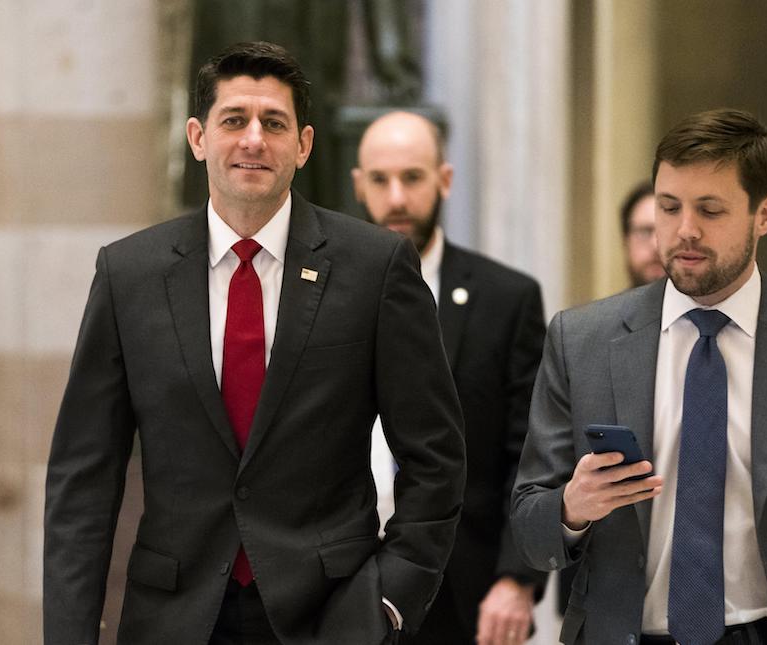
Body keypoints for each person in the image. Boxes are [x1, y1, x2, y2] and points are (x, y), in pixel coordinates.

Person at [43, 42, 465, 645]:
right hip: (174, 618)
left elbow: (437, 458)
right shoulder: (127, 274)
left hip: (332, 615)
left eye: (274, 123)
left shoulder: (376, 267)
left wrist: (391, 601)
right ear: (197, 137)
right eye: (234, 120)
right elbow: (83, 478)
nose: (253, 140)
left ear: (304, 144)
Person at [512, 108, 767, 645]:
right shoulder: (581, 339)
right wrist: (572, 507)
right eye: (669, 207)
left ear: (764, 213)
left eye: (710, 209)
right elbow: (529, 524)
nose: (685, 230)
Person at [353, 111, 547, 645]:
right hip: (339, 584)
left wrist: (517, 577)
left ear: (444, 179)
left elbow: (530, 452)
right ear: (358, 184)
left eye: (412, 177)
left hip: (465, 589)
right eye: (380, 179)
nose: (396, 197)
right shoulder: (318, 292)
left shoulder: (507, 300)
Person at [556, 180, 665, 615]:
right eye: (643, 231)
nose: (658, 245)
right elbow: (536, 495)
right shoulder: (582, 344)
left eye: (667, 226)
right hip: (608, 603)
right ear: (623, 242)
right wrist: (571, 509)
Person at [621, 181, 667, 287]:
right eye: (644, 232)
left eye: (665, 232)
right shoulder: (608, 304)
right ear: (626, 241)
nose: (655, 245)